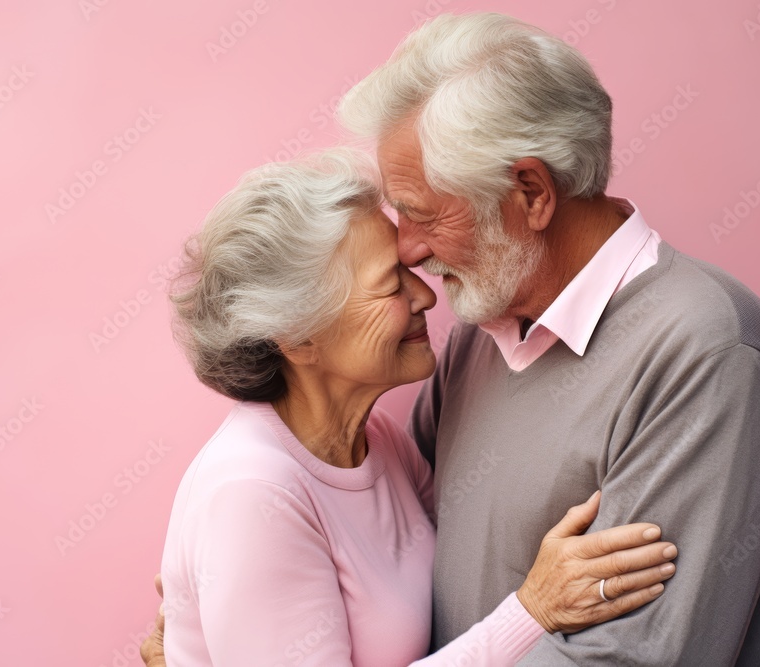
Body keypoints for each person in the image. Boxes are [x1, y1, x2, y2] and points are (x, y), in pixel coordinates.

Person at [153, 149, 679, 666]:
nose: (425, 297)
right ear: (298, 337)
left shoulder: (378, 440)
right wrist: (533, 611)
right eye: (390, 285)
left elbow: (470, 547)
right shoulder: (250, 497)